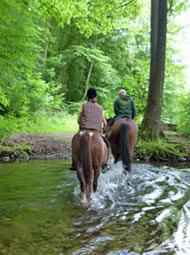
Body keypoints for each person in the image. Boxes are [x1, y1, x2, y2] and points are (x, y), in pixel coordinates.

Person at [70, 88, 108, 170]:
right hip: (97, 131)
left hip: (84, 130)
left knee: (74, 140)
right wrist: (103, 131)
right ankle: (104, 163)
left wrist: (82, 125)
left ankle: (74, 163)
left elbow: (78, 120)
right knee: (106, 144)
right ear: (95, 96)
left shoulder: (83, 106)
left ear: (87, 96)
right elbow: (105, 123)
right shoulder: (100, 108)